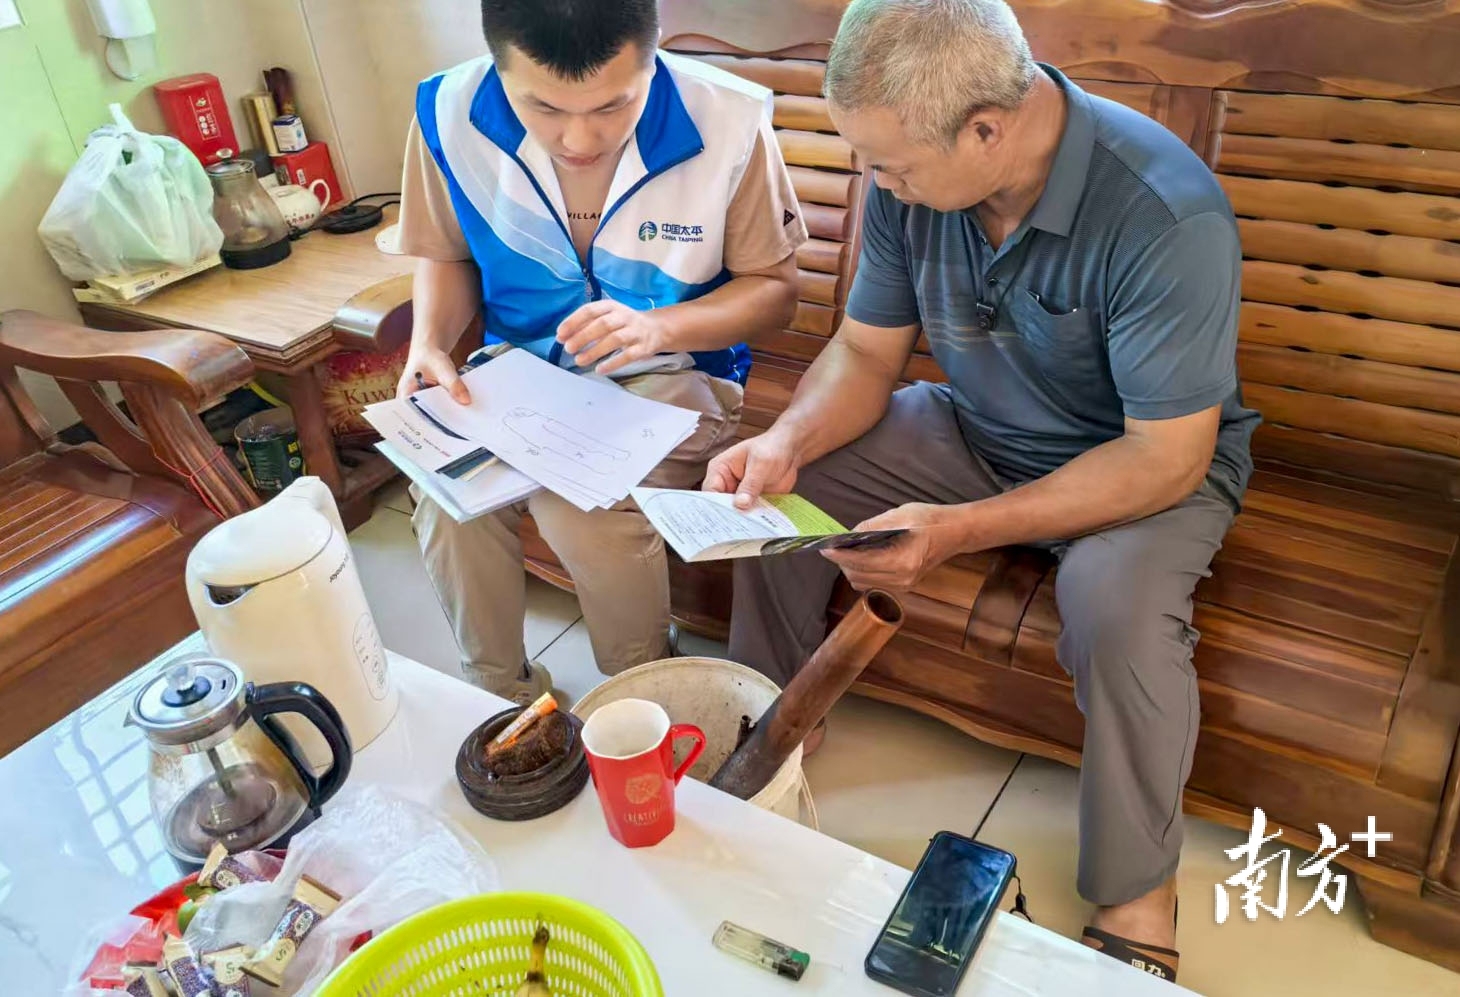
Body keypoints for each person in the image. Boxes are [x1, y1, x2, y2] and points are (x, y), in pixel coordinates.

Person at [707, 0, 1259, 982]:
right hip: (975, 429)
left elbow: (1165, 458)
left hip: (1139, 465)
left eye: (890, 167)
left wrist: (958, 529)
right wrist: (785, 440)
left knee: (1114, 604)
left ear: (987, 130)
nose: (874, 183)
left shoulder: (1163, 212)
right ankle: (779, 723)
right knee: (787, 491)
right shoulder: (912, 178)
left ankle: (1136, 891)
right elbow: (865, 353)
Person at [395, 0, 806, 703]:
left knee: (581, 506)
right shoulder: (446, 113)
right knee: (447, 495)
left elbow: (775, 291)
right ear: (495, 64)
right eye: (543, 107)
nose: (579, 138)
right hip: (521, 374)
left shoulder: (726, 121)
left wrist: (659, 328)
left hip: (678, 374)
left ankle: (645, 691)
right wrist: (428, 342)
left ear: (655, 51)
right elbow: (445, 252)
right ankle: (502, 699)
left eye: (614, 105)